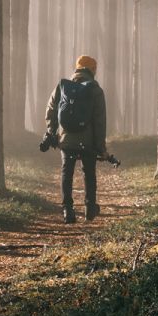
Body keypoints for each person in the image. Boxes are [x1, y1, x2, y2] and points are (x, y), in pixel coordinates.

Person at [43, 55, 108, 223]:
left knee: (67, 171)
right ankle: (89, 209)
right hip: (88, 142)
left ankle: (68, 210)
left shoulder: (63, 86)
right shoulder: (95, 90)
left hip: (67, 140)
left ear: (77, 68)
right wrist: (100, 146)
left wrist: (52, 132)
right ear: (93, 70)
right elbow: (100, 121)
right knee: (89, 173)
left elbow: (50, 110)